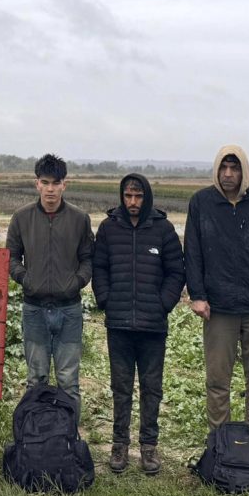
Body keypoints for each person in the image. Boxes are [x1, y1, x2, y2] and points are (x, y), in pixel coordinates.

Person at [184, 146, 249, 438]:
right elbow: (192, 253)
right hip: (218, 309)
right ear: (216, 170)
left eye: (234, 168)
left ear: (244, 171)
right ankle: (219, 444)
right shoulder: (201, 203)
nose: (228, 174)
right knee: (217, 381)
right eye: (223, 167)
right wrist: (198, 295)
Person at [92, 174, 185, 475]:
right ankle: (119, 445)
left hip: (152, 325)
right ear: (121, 196)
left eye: (138, 197)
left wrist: (163, 304)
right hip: (118, 323)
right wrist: (105, 298)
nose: (132, 202)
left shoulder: (163, 229)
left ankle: (148, 446)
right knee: (120, 387)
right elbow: (99, 267)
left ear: (147, 198)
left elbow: (176, 272)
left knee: (151, 387)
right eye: (128, 196)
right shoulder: (109, 228)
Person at [5, 154, 93, 407]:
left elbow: (88, 258)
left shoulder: (79, 219)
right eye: (45, 182)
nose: (51, 189)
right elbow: (11, 258)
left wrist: (76, 282)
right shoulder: (22, 218)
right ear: (37, 184)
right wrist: (27, 279)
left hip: (69, 310)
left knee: (69, 381)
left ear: (65, 184)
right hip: (34, 309)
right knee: (36, 380)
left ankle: (69, 442)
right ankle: (35, 441)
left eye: (56, 183)